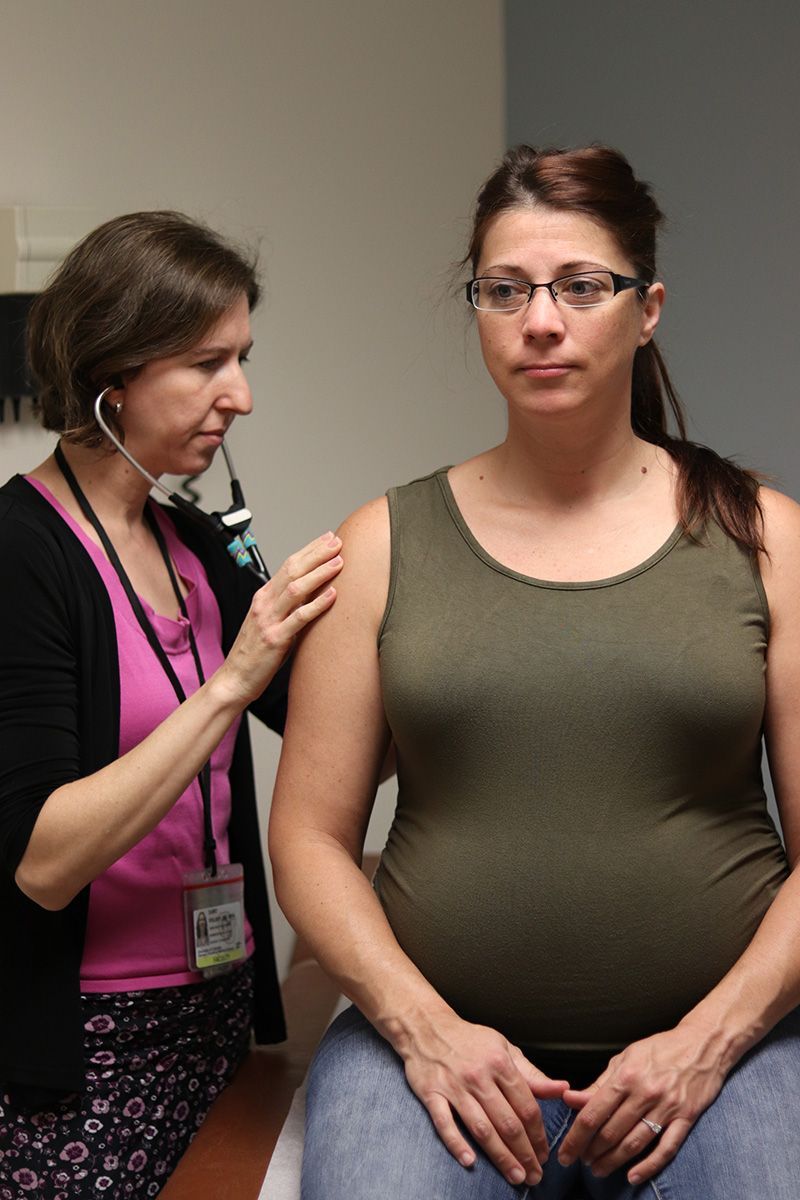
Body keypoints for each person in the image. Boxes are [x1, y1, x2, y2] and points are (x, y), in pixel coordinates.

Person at [268, 144, 800, 1199]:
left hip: (722, 1050)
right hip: (428, 1055)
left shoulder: (765, 540)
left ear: (644, 309)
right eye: (501, 290)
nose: (539, 321)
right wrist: (424, 1033)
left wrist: (706, 1040)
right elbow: (307, 839)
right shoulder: (382, 542)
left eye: (579, 287)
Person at [0, 211, 343, 1198]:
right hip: (89, 1047)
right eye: (206, 363)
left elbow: (338, 729)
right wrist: (232, 680)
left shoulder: (198, 543)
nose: (240, 395)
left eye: (240, 357)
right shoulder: (21, 553)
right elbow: (42, 863)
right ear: (114, 378)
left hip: (218, 1010)